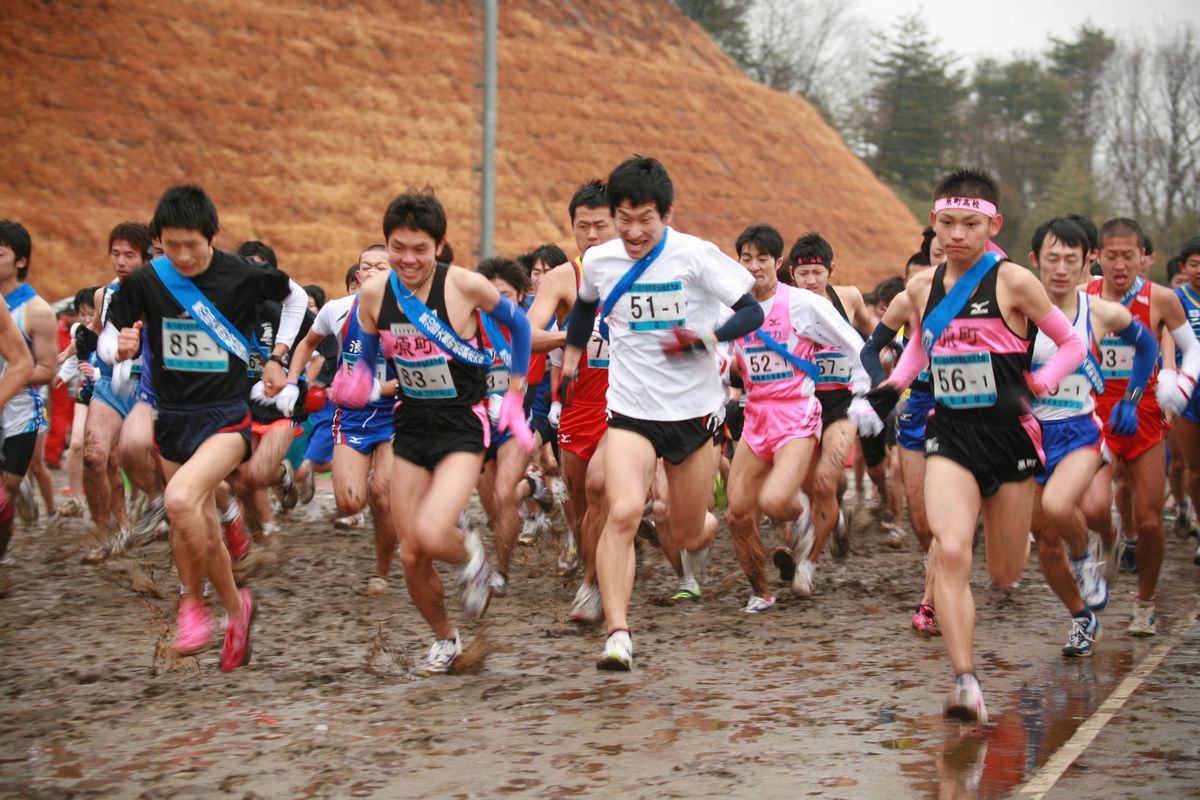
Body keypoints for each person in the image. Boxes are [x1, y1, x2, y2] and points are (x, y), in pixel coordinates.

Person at [867, 167, 1087, 723]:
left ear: (994, 223)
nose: (958, 234)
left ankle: (1014, 547)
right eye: (948, 223)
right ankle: (965, 678)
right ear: (933, 222)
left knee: (1006, 573)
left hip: (1010, 436)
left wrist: (1040, 383)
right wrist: (893, 387)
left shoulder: (1014, 281)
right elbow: (920, 347)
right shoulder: (921, 287)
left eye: (971, 223)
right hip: (951, 433)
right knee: (951, 548)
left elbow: (1073, 343)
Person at [560, 156, 765, 670]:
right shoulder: (603, 261)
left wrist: (704, 336)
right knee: (623, 509)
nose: (632, 230)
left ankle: (700, 535)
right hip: (630, 410)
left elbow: (752, 309)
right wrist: (569, 358)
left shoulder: (695, 256)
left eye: (644, 218)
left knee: (686, 529)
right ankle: (618, 633)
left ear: (666, 214)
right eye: (623, 217)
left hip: (694, 417)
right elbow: (585, 306)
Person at [101, 185, 309, 672]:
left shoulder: (240, 273)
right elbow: (108, 336)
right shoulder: (148, 281)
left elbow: (296, 298)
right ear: (158, 242)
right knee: (199, 526)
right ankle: (224, 610)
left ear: (213, 235)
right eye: (171, 245)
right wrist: (121, 347)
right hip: (172, 418)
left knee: (178, 502)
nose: (184, 255)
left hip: (225, 417)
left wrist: (279, 357)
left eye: (193, 243)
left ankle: (199, 609)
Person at [336, 187, 534, 675]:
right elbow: (363, 331)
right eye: (397, 248)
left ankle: (473, 556)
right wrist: (359, 372)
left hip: (462, 424)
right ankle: (446, 640)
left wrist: (515, 389)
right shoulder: (375, 292)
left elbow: (521, 328)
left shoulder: (466, 286)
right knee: (411, 553)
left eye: (419, 249)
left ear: (440, 246)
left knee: (428, 530)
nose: (408, 259)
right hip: (411, 421)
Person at [724, 224, 881, 612]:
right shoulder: (730, 304)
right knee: (738, 514)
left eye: (763, 259)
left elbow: (855, 344)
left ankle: (807, 518)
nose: (755, 267)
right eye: (747, 259)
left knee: (777, 501)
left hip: (798, 412)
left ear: (778, 264)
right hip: (756, 415)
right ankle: (761, 591)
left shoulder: (804, 305)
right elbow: (723, 357)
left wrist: (863, 394)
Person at [1028, 217, 1158, 657]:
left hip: (1081, 430)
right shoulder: (1016, 311)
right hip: (1030, 437)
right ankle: (1081, 618)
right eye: (1052, 259)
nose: (1061, 269)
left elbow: (1148, 347)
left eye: (1071, 260)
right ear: (1035, 262)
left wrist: (1132, 399)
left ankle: (1086, 556)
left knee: (1061, 505)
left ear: (1087, 263)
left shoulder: (1099, 311)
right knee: (1046, 544)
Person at [1085, 218, 1199, 635]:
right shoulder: (1085, 296)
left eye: (1128, 256)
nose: (1119, 264)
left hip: (1143, 412)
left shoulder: (1162, 299)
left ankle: (1145, 602)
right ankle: (1111, 536)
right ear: (1097, 256)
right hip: (1095, 410)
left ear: (1143, 258)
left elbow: (1192, 348)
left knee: (1150, 520)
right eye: (1111, 255)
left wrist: (1181, 385)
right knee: (1094, 507)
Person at [523, 180, 618, 622]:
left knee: (604, 490)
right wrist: (573, 335)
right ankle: (591, 567)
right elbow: (528, 334)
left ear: (619, 224)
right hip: (579, 407)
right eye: (585, 227)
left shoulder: (642, 274)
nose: (594, 235)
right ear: (574, 229)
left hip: (628, 406)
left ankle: (594, 585)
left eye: (602, 225)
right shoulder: (564, 278)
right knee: (580, 508)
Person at [287, 245, 397, 594]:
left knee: (383, 494)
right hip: (351, 416)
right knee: (351, 501)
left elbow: (426, 369)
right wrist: (293, 383)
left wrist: (380, 388)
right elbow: (307, 343)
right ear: (358, 275)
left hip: (397, 414)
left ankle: (381, 571)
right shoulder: (336, 310)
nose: (372, 272)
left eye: (382, 266)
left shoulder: (412, 314)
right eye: (367, 266)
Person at [781, 232, 879, 592]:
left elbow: (872, 332)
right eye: (803, 274)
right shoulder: (787, 303)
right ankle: (832, 520)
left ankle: (808, 564)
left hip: (842, 404)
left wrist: (885, 358)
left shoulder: (848, 297)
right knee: (812, 487)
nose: (810, 281)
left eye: (817, 273)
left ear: (830, 270)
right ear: (792, 274)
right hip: (804, 404)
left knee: (826, 480)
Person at [81, 222, 157, 556]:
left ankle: (160, 510)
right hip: (112, 384)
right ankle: (107, 531)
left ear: (146, 258)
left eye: (129, 255)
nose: (121, 262)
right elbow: (97, 328)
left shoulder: (163, 290)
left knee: (149, 463)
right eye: (115, 253)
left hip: (150, 389)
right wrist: (74, 351)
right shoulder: (106, 293)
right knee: (94, 456)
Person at [0, 221, 57, 529]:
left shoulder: (37, 311)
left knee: (6, 487)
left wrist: (8, 378)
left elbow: (48, 370)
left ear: (20, 261)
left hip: (20, 410)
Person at [1167, 236, 1200, 569]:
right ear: (1183, 267)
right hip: (1188, 393)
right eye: (1195, 263)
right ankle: (1188, 513)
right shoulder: (1175, 299)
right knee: (1190, 468)